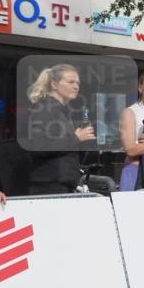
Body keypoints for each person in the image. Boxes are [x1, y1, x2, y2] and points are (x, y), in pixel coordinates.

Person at [24, 64, 95, 194]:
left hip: (62, 185)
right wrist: (76, 138)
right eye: (70, 82)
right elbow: (39, 147)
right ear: (54, 84)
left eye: (78, 83)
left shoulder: (61, 111)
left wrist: (81, 141)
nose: (76, 86)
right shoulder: (45, 109)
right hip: (48, 187)